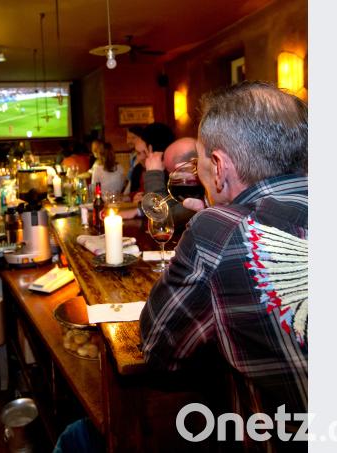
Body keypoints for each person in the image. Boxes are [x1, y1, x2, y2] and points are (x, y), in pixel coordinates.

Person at [140, 82, 308, 450]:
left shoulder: (217, 229)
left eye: (199, 162)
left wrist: (202, 234)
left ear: (218, 167)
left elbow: (159, 350)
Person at [119, 137, 197, 226]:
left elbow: (163, 219)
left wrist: (153, 173)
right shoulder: (195, 185)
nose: (171, 177)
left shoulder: (206, 191)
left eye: (173, 172)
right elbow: (175, 203)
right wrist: (139, 211)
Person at [125, 122, 175, 197]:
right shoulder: (139, 169)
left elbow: (156, 204)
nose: (139, 158)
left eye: (143, 152)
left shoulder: (174, 173)